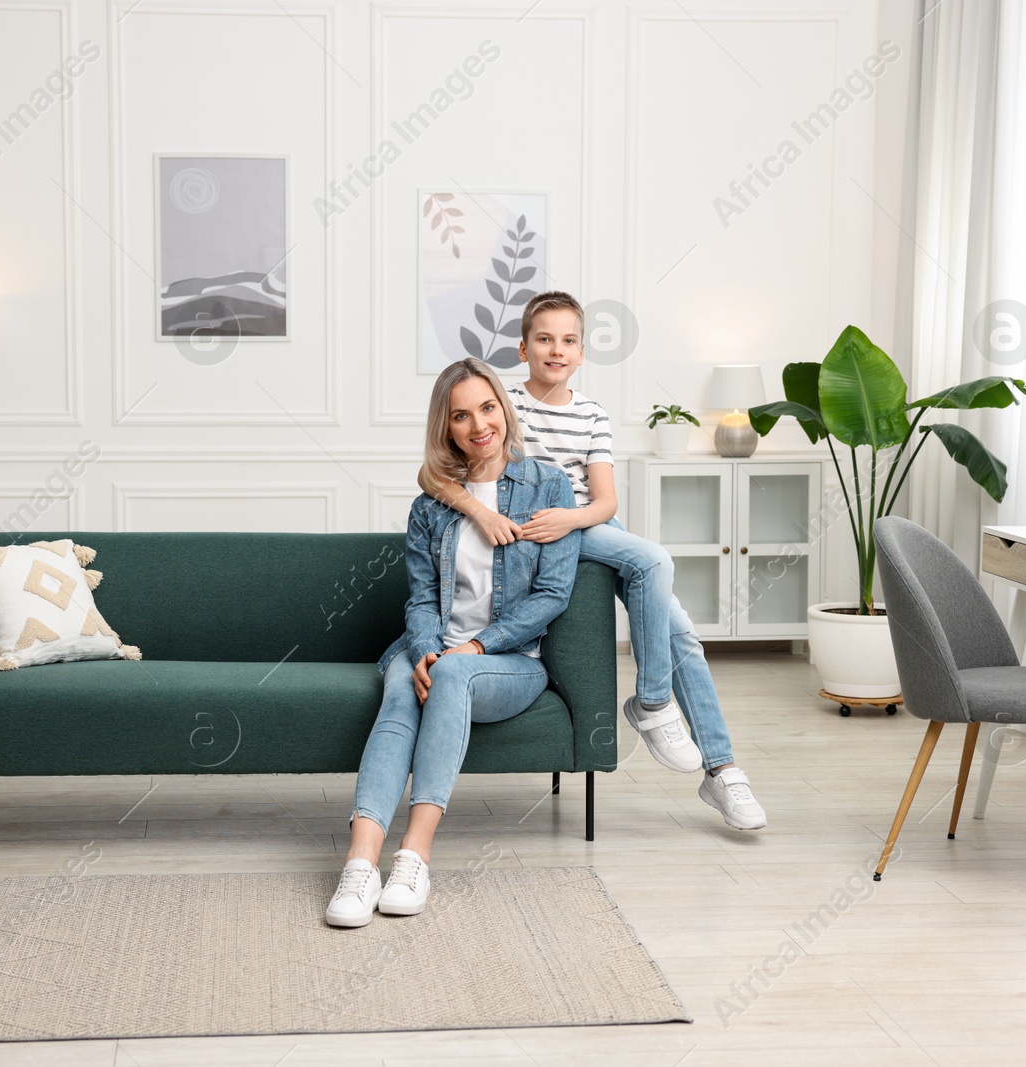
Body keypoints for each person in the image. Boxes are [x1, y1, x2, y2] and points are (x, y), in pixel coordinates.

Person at [416, 292, 766, 830]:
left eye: (569, 341)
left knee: (677, 627)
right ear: (522, 348)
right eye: (544, 339)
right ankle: (675, 727)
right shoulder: (499, 404)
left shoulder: (592, 413)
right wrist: (482, 515)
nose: (556, 351)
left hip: (586, 525)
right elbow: (432, 475)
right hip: (537, 533)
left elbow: (605, 502)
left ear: (582, 352)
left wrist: (570, 519)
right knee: (655, 569)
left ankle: (713, 761)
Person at [326, 358, 581, 927]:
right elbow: (420, 599)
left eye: (487, 408)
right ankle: (360, 865)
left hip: (508, 660)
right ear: (446, 427)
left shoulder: (548, 485)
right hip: (434, 647)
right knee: (400, 692)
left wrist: (476, 648)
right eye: (460, 415)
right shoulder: (430, 507)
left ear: (504, 409)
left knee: (451, 675)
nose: (478, 425)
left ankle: (414, 856)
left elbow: (552, 595)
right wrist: (422, 651)